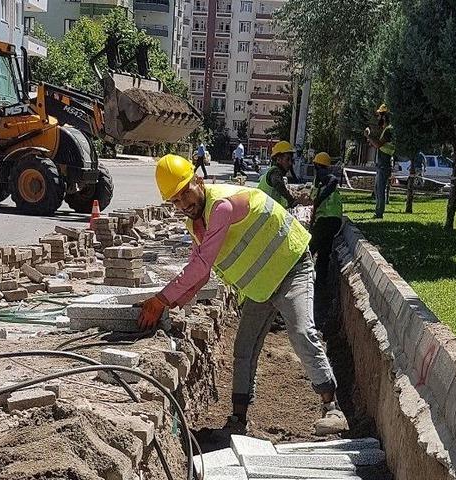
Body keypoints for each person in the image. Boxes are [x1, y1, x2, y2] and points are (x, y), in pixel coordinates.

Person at [138, 154, 349, 436]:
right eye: (175, 200)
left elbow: (201, 264)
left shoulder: (221, 206)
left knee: (301, 331)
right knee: (244, 348)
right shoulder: (196, 223)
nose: (183, 204)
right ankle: (238, 421)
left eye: (186, 192)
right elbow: (199, 275)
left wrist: (161, 299)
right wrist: (169, 306)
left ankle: (332, 408)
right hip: (261, 287)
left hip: (291, 267)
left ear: (198, 179)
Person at [309, 152, 343, 290]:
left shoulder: (325, 177)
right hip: (334, 222)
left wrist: (318, 200)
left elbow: (333, 180)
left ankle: (306, 281)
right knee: (324, 252)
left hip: (326, 220)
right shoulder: (319, 181)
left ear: (317, 166)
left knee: (310, 250)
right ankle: (320, 284)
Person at [365, 104, 394, 218]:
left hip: (384, 164)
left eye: (379, 116)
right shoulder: (386, 130)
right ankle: (378, 211)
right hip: (382, 164)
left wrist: (368, 135)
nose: (378, 119)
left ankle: (379, 214)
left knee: (380, 190)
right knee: (378, 189)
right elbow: (379, 144)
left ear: (384, 117)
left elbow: (378, 144)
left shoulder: (389, 130)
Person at [258, 140, 300, 209]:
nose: (290, 163)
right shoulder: (275, 171)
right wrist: (291, 200)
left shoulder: (275, 171)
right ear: (278, 159)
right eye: (287, 159)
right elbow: (278, 184)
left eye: (291, 160)